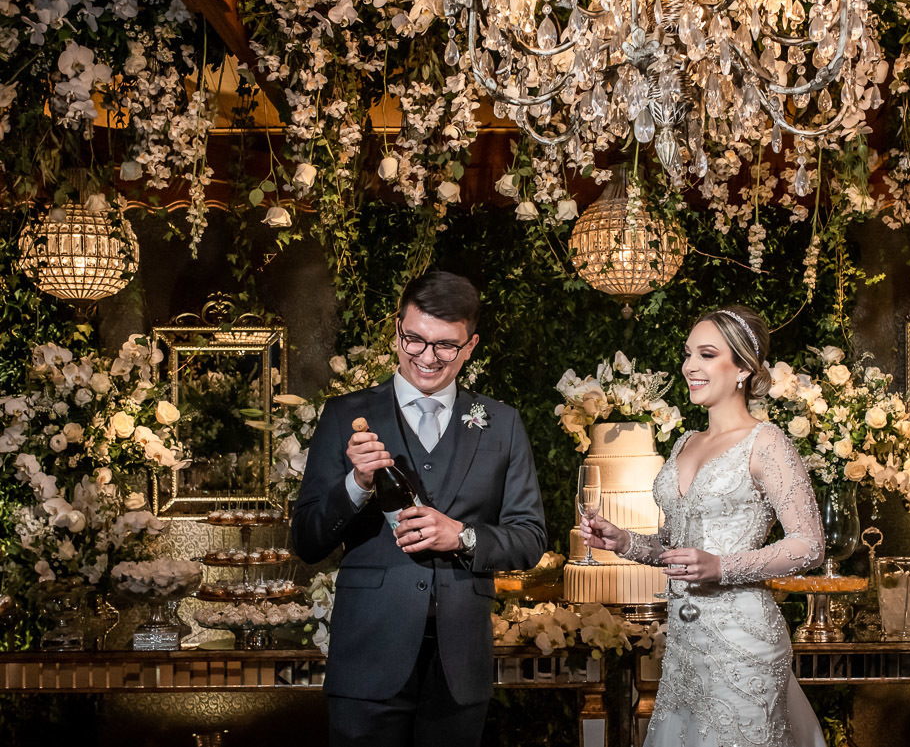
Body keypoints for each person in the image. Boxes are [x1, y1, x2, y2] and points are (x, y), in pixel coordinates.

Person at [292, 271, 547, 747]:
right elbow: (306, 539)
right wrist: (356, 483)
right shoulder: (344, 415)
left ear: (470, 346)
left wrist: (463, 536)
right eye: (414, 340)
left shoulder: (503, 424)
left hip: (459, 661)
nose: (427, 358)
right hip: (367, 653)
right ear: (397, 330)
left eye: (446, 346)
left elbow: (530, 537)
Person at [581, 305, 827, 747]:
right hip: (684, 640)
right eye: (688, 353)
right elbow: (675, 549)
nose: (690, 366)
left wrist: (722, 567)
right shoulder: (683, 443)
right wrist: (624, 541)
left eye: (707, 354)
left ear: (743, 369)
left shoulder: (767, 442)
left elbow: (809, 545)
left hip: (743, 640)